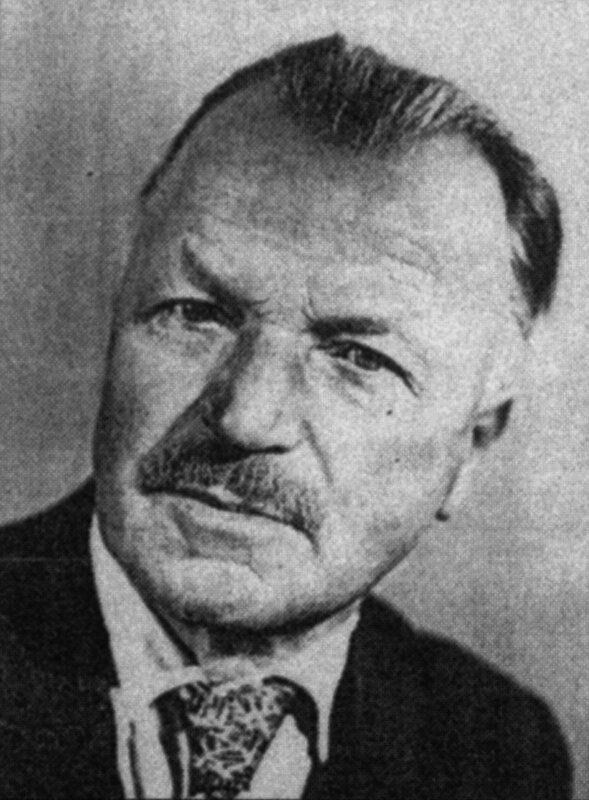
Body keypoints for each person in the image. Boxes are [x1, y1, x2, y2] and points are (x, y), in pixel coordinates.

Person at [0, 34, 572, 799]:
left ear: (471, 446)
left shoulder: (492, 749)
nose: (246, 417)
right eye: (196, 314)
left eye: (358, 357)